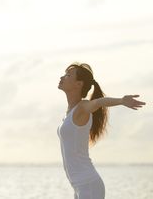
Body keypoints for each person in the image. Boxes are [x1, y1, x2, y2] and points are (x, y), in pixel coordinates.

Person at [57, 62, 146, 199]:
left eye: (68, 75)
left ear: (79, 84)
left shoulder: (83, 107)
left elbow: (98, 103)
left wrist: (122, 101)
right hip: (79, 185)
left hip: (88, 184)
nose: (62, 77)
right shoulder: (70, 112)